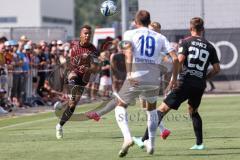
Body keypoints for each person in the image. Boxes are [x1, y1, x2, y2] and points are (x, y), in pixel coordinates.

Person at [97, 10, 178, 157]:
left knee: (120, 106)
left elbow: (128, 53)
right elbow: (176, 59)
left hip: (136, 75)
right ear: (149, 21)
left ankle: (127, 138)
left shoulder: (130, 33)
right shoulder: (160, 37)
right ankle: (151, 144)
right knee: (151, 110)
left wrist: (128, 73)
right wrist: (174, 79)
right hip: (153, 79)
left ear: (136, 22)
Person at [135, 17, 220, 150]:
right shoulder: (210, 46)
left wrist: (174, 79)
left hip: (185, 81)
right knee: (194, 111)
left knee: (161, 110)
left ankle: (143, 140)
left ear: (190, 28)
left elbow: (179, 60)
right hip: (199, 84)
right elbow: (216, 69)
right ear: (203, 29)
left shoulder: (186, 42)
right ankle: (199, 144)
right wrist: (204, 78)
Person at [55, 25, 100, 139]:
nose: (87, 35)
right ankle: (67, 99)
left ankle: (59, 125)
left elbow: (95, 69)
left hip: (84, 78)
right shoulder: (73, 46)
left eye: (89, 33)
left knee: (72, 105)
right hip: (73, 73)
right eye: (85, 33)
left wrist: (88, 68)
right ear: (80, 35)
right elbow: (66, 60)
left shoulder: (93, 50)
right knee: (72, 79)